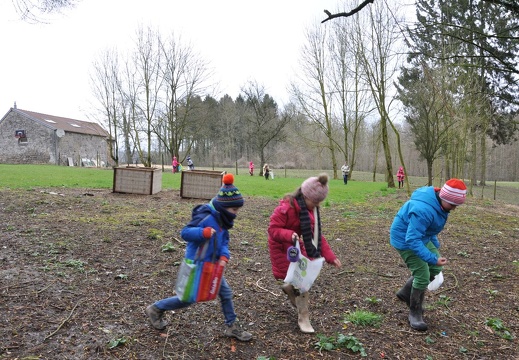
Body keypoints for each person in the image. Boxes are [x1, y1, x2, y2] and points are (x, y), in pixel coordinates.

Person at [145, 173, 252, 341]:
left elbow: (224, 241)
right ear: (224, 207)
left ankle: (232, 326)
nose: (236, 213)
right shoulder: (206, 217)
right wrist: (203, 232)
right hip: (197, 264)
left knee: (225, 293)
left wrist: (224, 256)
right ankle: (156, 308)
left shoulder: (223, 220)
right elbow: (185, 233)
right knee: (188, 299)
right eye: (234, 210)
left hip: (213, 265)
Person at [268, 173, 342, 333]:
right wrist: (289, 234)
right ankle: (290, 290)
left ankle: (304, 317)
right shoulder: (285, 208)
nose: (316, 206)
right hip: (281, 246)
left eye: (318, 204)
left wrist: (330, 257)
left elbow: (317, 236)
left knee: (303, 281)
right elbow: (273, 230)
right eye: (314, 202)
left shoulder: (310, 213)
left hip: (297, 245)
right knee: (291, 278)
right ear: (304, 195)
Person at [390, 178, 467, 332]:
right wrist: (432, 257)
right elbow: (412, 239)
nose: (454, 209)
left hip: (421, 238)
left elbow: (428, 227)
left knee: (435, 269)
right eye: (453, 205)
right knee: (423, 274)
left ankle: (406, 292)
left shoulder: (439, 205)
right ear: (444, 198)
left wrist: (434, 243)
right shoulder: (423, 210)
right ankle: (415, 311)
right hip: (405, 241)